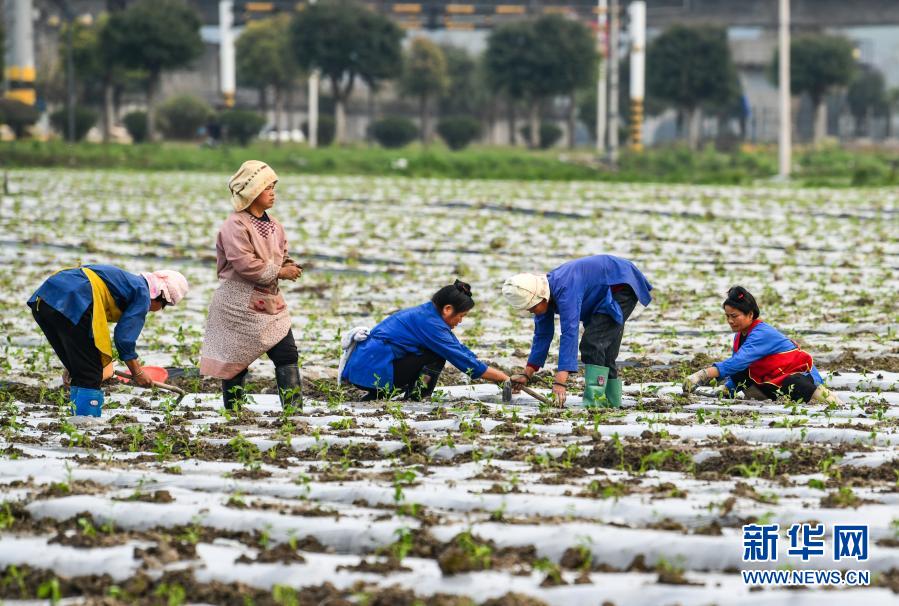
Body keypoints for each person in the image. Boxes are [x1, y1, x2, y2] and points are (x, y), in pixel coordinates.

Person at [199, 160, 303, 410]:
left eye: (274, 187)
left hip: (270, 302)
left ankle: (294, 413)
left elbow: (281, 253)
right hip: (238, 304)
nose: (273, 193)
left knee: (287, 354)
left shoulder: (275, 225)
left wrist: (288, 264)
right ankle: (234, 413)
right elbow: (245, 263)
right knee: (235, 362)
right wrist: (280, 272)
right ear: (252, 192)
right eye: (268, 188)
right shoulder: (234, 225)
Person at [28, 266, 189, 417]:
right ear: (161, 297)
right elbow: (124, 339)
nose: (158, 310)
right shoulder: (142, 294)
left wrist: (73, 361)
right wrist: (137, 373)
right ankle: (86, 426)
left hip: (44, 299)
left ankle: (77, 421)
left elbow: (80, 335)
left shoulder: (128, 283)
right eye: (165, 305)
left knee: (82, 370)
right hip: (73, 300)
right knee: (91, 374)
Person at [502, 255, 653, 407]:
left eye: (532, 307)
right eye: (528, 308)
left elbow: (570, 333)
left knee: (593, 344)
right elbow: (542, 335)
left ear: (541, 297)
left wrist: (560, 381)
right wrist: (527, 373)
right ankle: (612, 402)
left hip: (621, 285)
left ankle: (595, 403)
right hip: (601, 291)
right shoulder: (544, 294)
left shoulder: (565, 289)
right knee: (603, 348)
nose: (531, 311)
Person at [340, 280, 511, 400]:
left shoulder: (428, 314)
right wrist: (502, 378)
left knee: (435, 351)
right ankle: (414, 397)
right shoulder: (430, 323)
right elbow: (462, 360)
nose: (460, 321)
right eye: (461, 316)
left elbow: (457, 347)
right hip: (373, 369)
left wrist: (498, 375)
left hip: (366, 368)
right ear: (448, 309)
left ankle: (379, 393)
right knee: (436, 355)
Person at [682, 286, 842, 405]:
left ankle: (833, 402)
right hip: (774, 379)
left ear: (750, 314)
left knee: (794, 383)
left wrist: (703, 374)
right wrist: (726, 389)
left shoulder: (762, 333)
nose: (730, 321)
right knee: (741, 372)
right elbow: (737, 369)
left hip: (801, 378)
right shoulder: (740, 336)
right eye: (727, 316)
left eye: (734, 316)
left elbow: (737, 362)